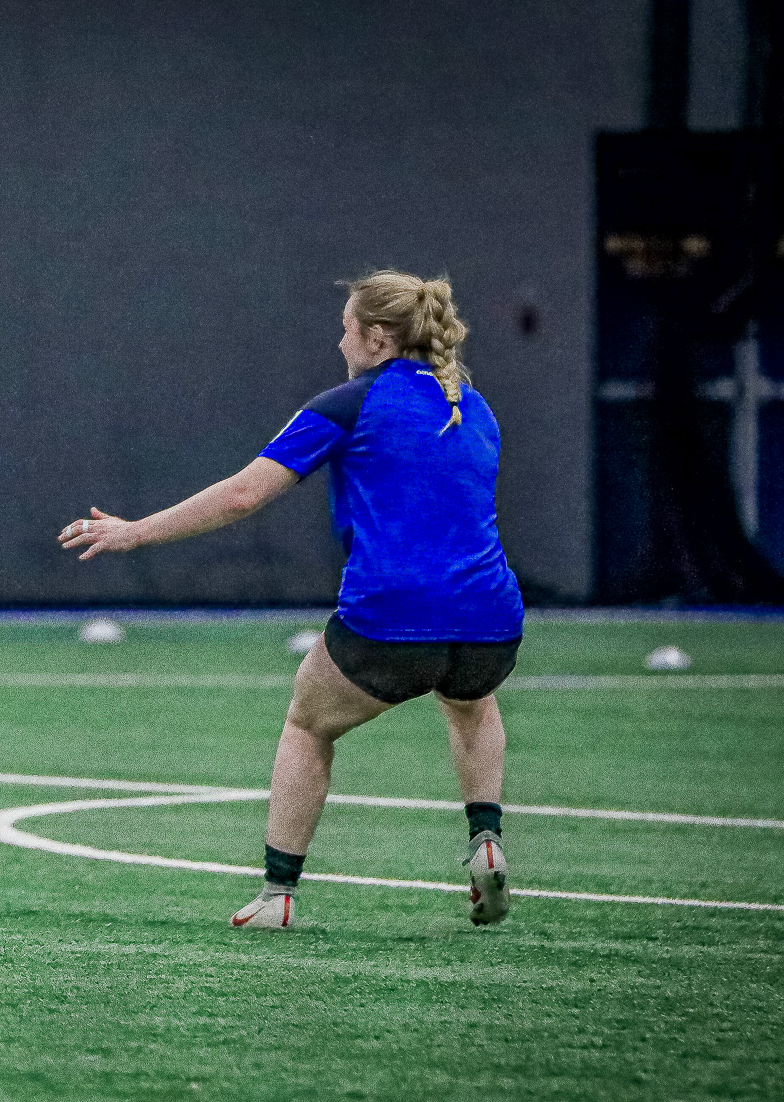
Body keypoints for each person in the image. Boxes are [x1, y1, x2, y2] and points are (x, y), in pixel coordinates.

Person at [59, 270, 522, 929]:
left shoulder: (346, 404)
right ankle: (487, 841)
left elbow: (244, 494)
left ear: (378, 338)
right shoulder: (471, 406)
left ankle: (278, 893)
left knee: (309, 723)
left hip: (392, 615)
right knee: (472, 703)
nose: (340, 343)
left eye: (346, 329)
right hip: (492, 614)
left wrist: (135, 532)